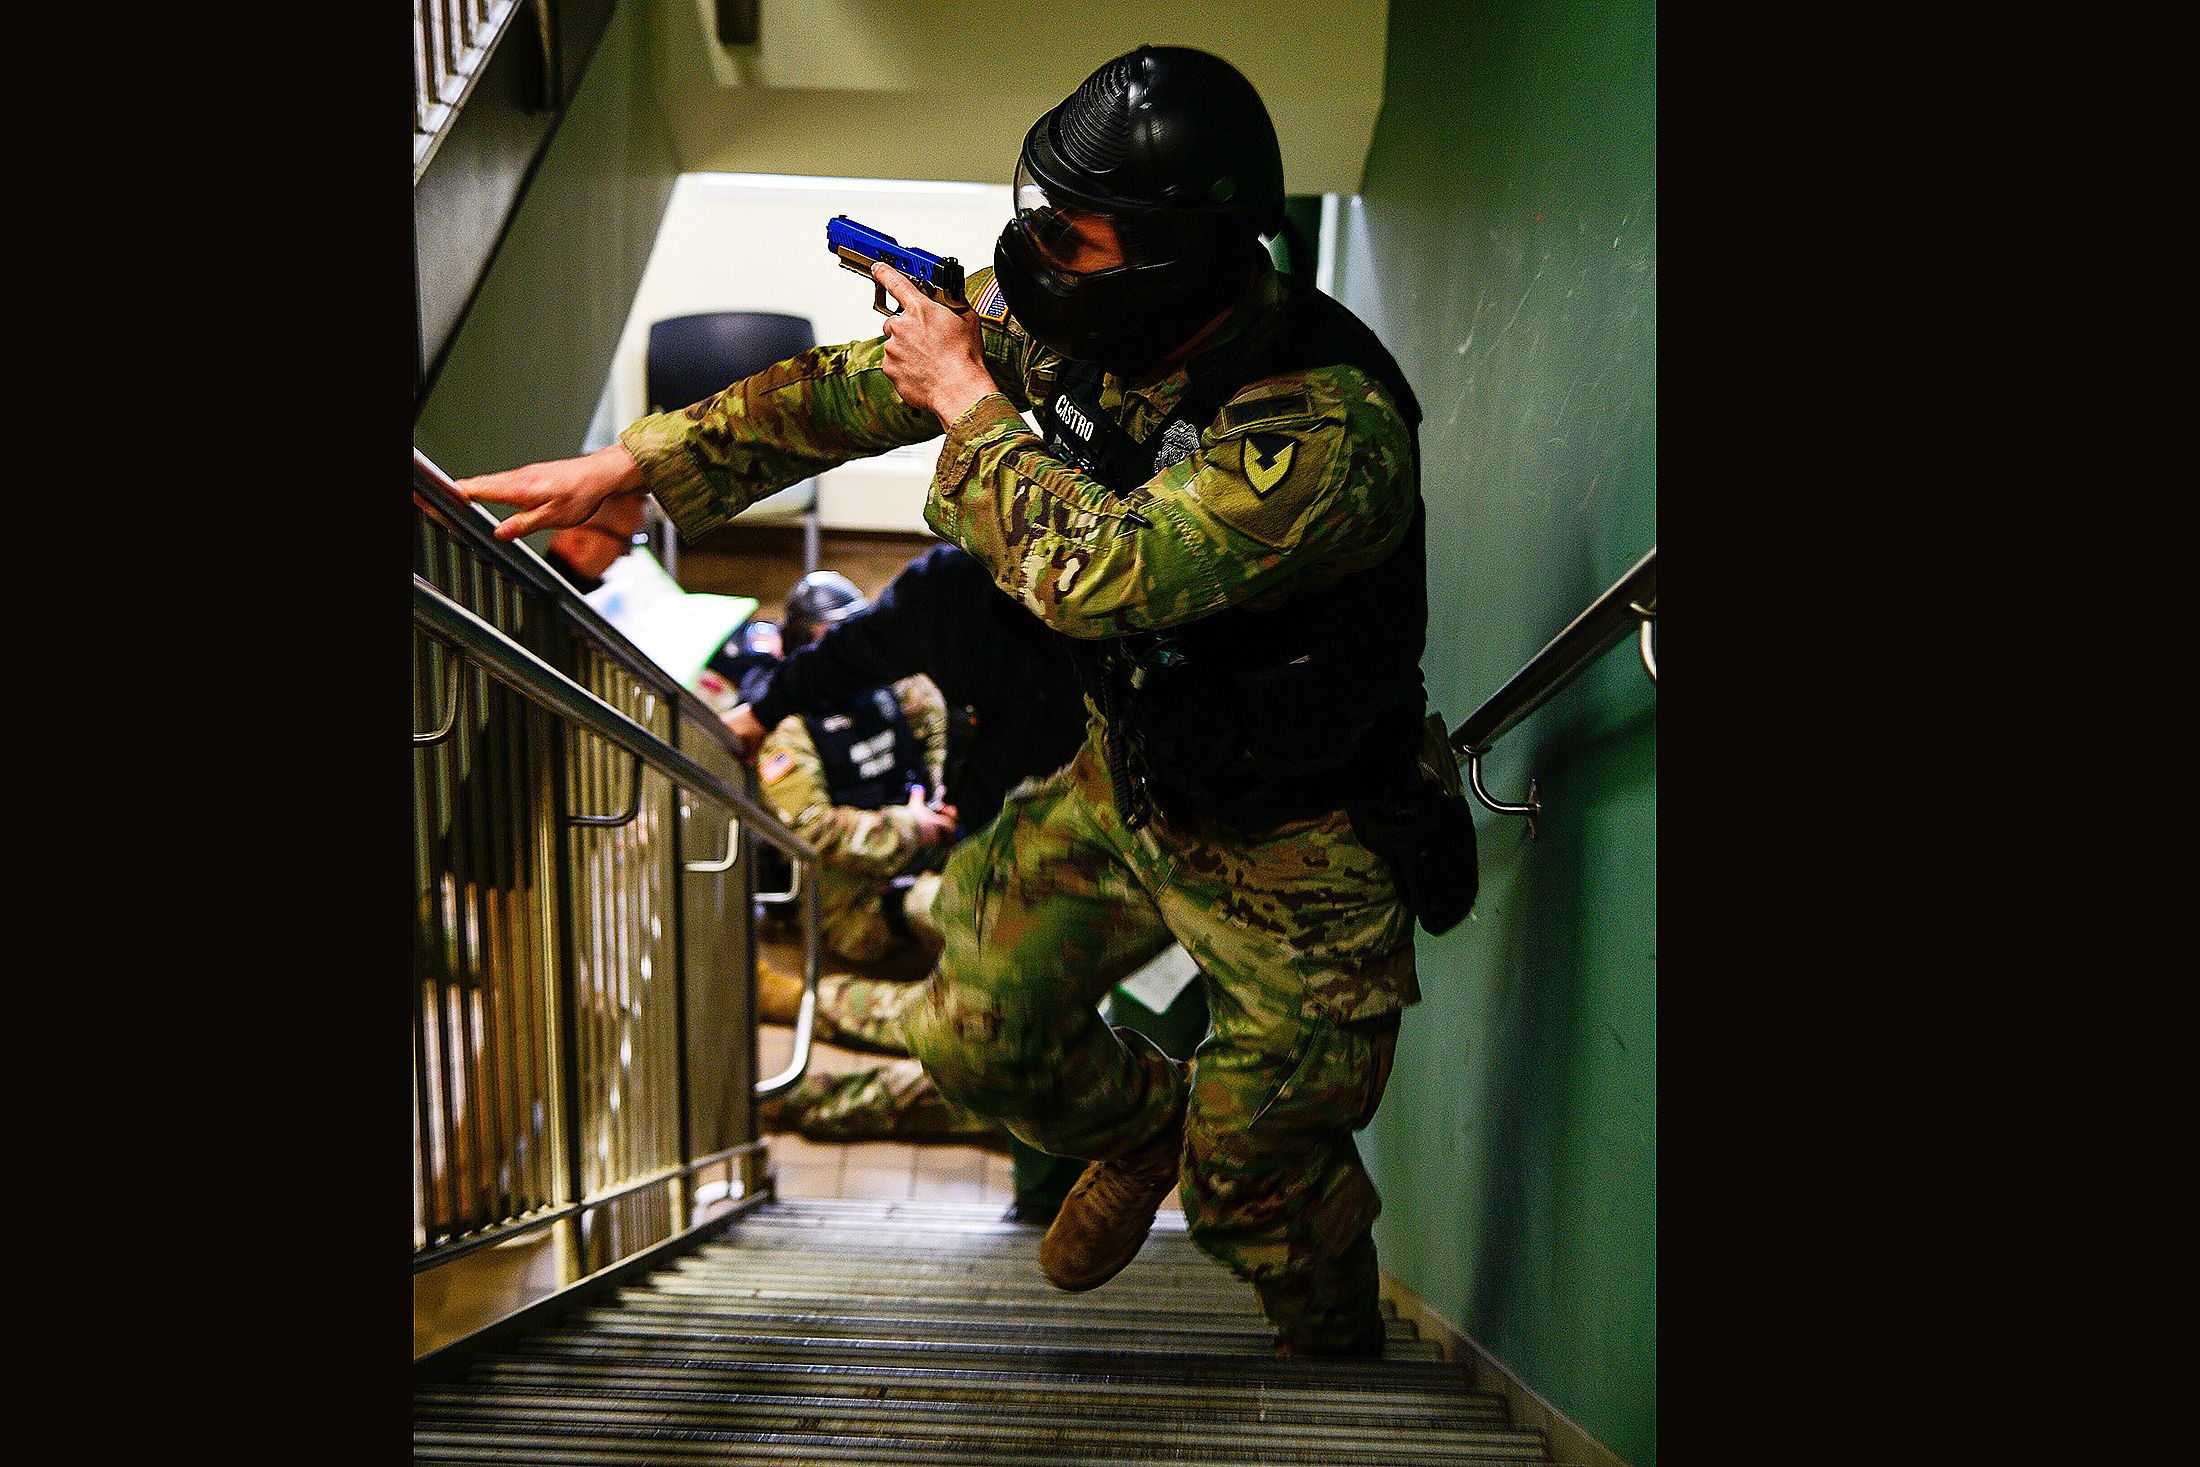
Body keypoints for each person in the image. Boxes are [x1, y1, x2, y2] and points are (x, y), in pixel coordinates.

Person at [456, 45, 1477, 1359]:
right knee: (975, 1037)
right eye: (1039, 209)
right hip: (1130, 779)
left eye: (1075, 234)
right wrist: (643, 467)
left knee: (1256, 1185)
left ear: (1176, 252)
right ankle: (1138, 1120)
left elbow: (1103, 576)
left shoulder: (1322, 428)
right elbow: (861, 380)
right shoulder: (1081, 315)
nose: (1034, 252)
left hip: (1307, 835)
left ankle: (1334, 1360)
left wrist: (968, 398)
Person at [733, 542, 1208, 1224]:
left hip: (1016, 870)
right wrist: (914, 827)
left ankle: (809, 1072)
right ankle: (806, 1055)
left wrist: (934, 811)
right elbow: (817, 821)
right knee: (977, 1034)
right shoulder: (817, 711)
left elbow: (936, 725)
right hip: (882, 892)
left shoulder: (914, 678)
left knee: (988, 1055)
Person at [745, 570, 958, 966]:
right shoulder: (785, 729)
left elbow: (939, 737)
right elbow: (815, 829)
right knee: (958, 918)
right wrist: (912, 826)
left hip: (924, 843)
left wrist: (945, 796)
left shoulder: (899, 684)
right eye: (828, 640)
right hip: (852, 892)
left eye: (853, 634)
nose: (844, 654)